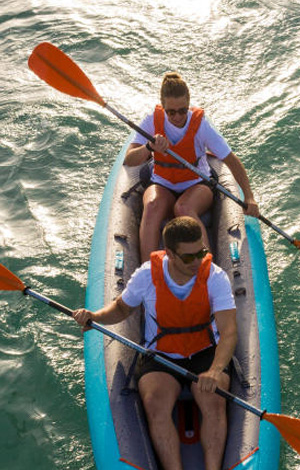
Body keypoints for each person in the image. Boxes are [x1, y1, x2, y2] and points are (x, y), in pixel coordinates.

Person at [73, 216, 237, 470]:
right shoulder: (147, 275)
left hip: (205, 352)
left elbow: (228, 332)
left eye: (201, 253)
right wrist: (93, 317)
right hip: (161, 356)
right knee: (155, 404)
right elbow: (121, 310)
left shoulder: (215, 277)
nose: (197, 261)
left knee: (214, 401)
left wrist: (215, 370)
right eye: (188, 257)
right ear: (170, 253)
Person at [124, 72, 259, 262]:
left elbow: (231, 161)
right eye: (171, 112)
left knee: (183, 208)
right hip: (162, 184)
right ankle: (149, 271)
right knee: (152, 205)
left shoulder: (201, 126)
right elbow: (130, 159)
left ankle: (207, 268)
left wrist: (249, 196)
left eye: (182, 110)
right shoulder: (152, 120)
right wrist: (149, 147)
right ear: (163, 107)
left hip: (197, 184)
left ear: (188, 105)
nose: (178, 116)